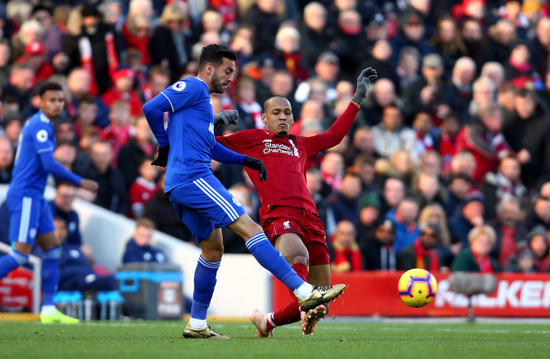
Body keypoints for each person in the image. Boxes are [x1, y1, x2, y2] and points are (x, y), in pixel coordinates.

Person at [143, 44, 345, 339]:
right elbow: (151, 108)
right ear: (209, 68)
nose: (230, 79)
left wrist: (246, 159)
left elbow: (211, 146)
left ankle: (197, 323)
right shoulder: (195, 87)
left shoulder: (200, 107)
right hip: (193, 177)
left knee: (213, 250)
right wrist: (163, 143)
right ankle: (304, 292)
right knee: (250, 227)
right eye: (227, 71)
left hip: (180, 183)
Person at [217, 65, 377, 336]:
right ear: (264, 118)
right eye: (276, 113)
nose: (282, 117)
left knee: (322, 302)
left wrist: (357, 98)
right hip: (279, 212)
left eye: (287, 112)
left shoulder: (300, 144)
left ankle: (267, 321)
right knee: (297, 255)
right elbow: (205, 142)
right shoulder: (252, 138)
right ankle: (297, 306)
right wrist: (217, 119)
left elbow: (334, 137)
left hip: (311, 217)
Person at [0, 82, 98, 323]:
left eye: (61, 100)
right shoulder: (40, 126)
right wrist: (79, 181)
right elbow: (49, 165)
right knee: (20, 256)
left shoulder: (46, 126)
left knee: (53, 251)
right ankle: (47, 309)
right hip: (25, 196)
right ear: (40, 102)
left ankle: (47, 309)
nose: (58, 104)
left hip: (37, 197)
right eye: (52, 100)